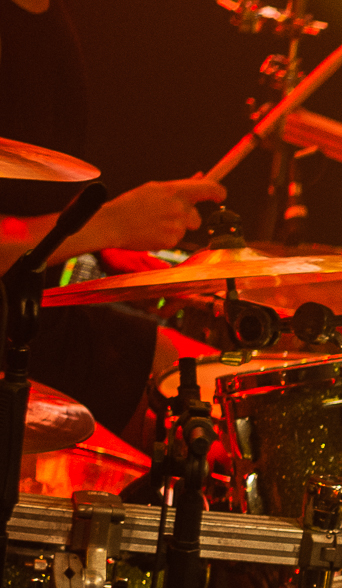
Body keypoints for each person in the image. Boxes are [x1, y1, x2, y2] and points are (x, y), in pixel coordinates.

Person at [1, 0, 224, 441]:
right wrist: (113, 223)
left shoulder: (51, 20)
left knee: (225, 404)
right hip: (11, 342)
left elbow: (29, 194)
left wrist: (107, 252)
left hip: (36, 315)